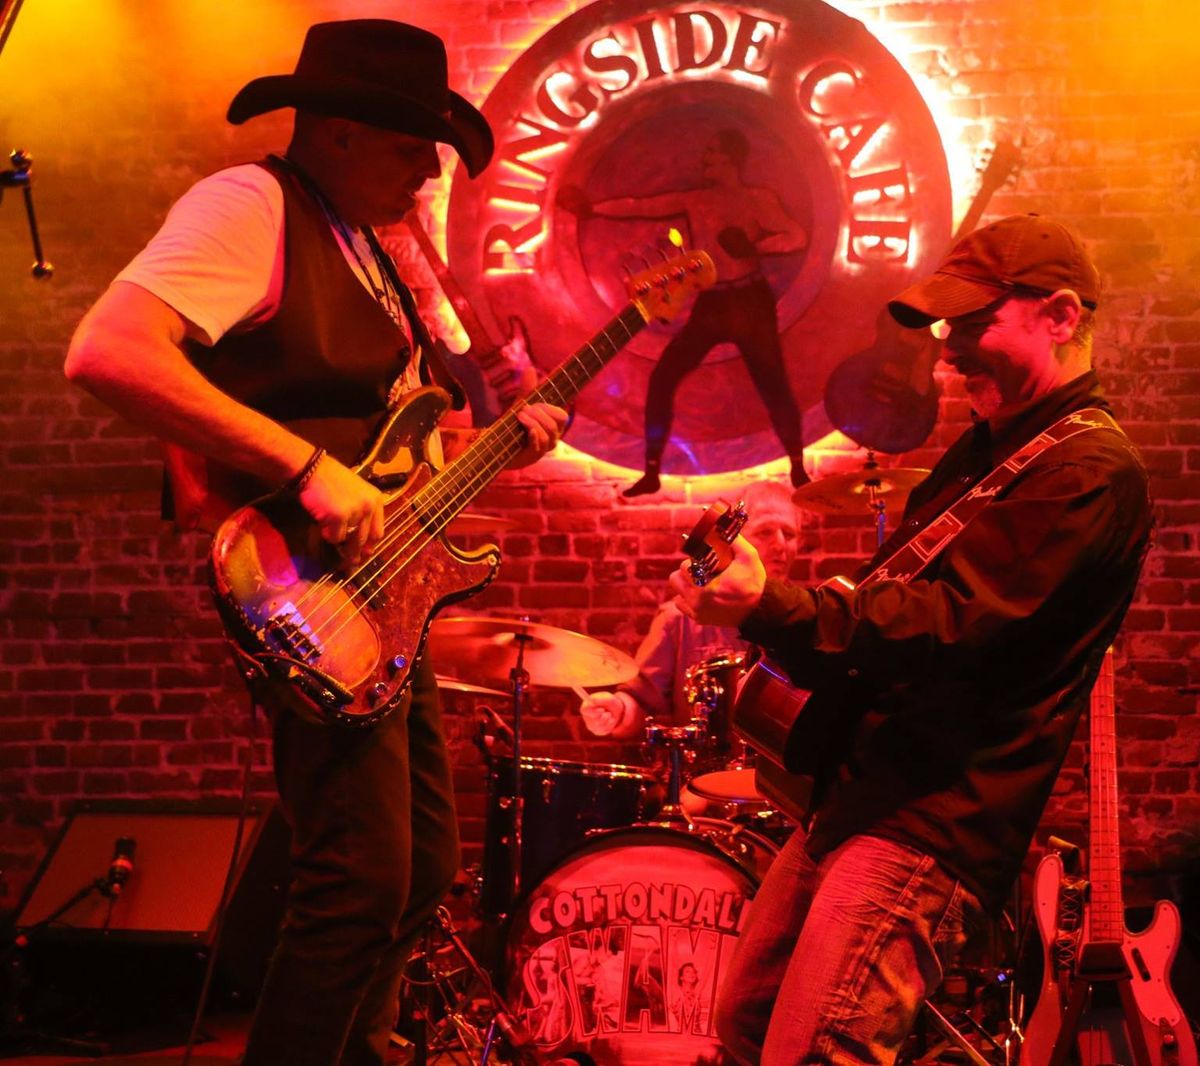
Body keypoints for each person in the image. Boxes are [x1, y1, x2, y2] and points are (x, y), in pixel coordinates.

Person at [62, 20, 567, 1066]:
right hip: (306, 585)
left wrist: (492, 446)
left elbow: (382, 451)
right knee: (358, 878)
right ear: (338, 132)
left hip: (384, 588)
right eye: (410, 147)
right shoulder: (249, 206)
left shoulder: (364, 248)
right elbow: (107, 350)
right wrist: (302, 469)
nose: (430, 173)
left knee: (420, 870)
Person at [669, 214, 1154, 1064]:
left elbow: (946, 626)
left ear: (1060, 315)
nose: (949, 350)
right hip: (859, 793)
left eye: (974, 324)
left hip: (932, 816)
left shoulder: (1088, 471)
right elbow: (888, 609)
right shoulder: (991, 452)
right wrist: (767, 605)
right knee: (747, 1022)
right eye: (946, 327)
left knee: (819, 1051)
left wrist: (772, 606)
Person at [557, 130, 810, 496]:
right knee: (663, 377)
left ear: (730, 159)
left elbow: (796, 235)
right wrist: (592, 209)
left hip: (750, 301)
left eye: (712, 151)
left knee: (774, 384)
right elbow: (642, 206)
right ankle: (651, 472)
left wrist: (756, 246)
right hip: (713, 302)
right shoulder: (697, 200)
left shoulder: (758, 199)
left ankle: (798, 467)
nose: (705, 158)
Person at [579, 479, 801, 740]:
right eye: (765, 532)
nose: (780, 545)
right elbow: (640, 701)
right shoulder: (679, 618)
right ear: (733, 541)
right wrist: (618, 710)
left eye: (789, 534)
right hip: (706, 766)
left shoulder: (809, 618)